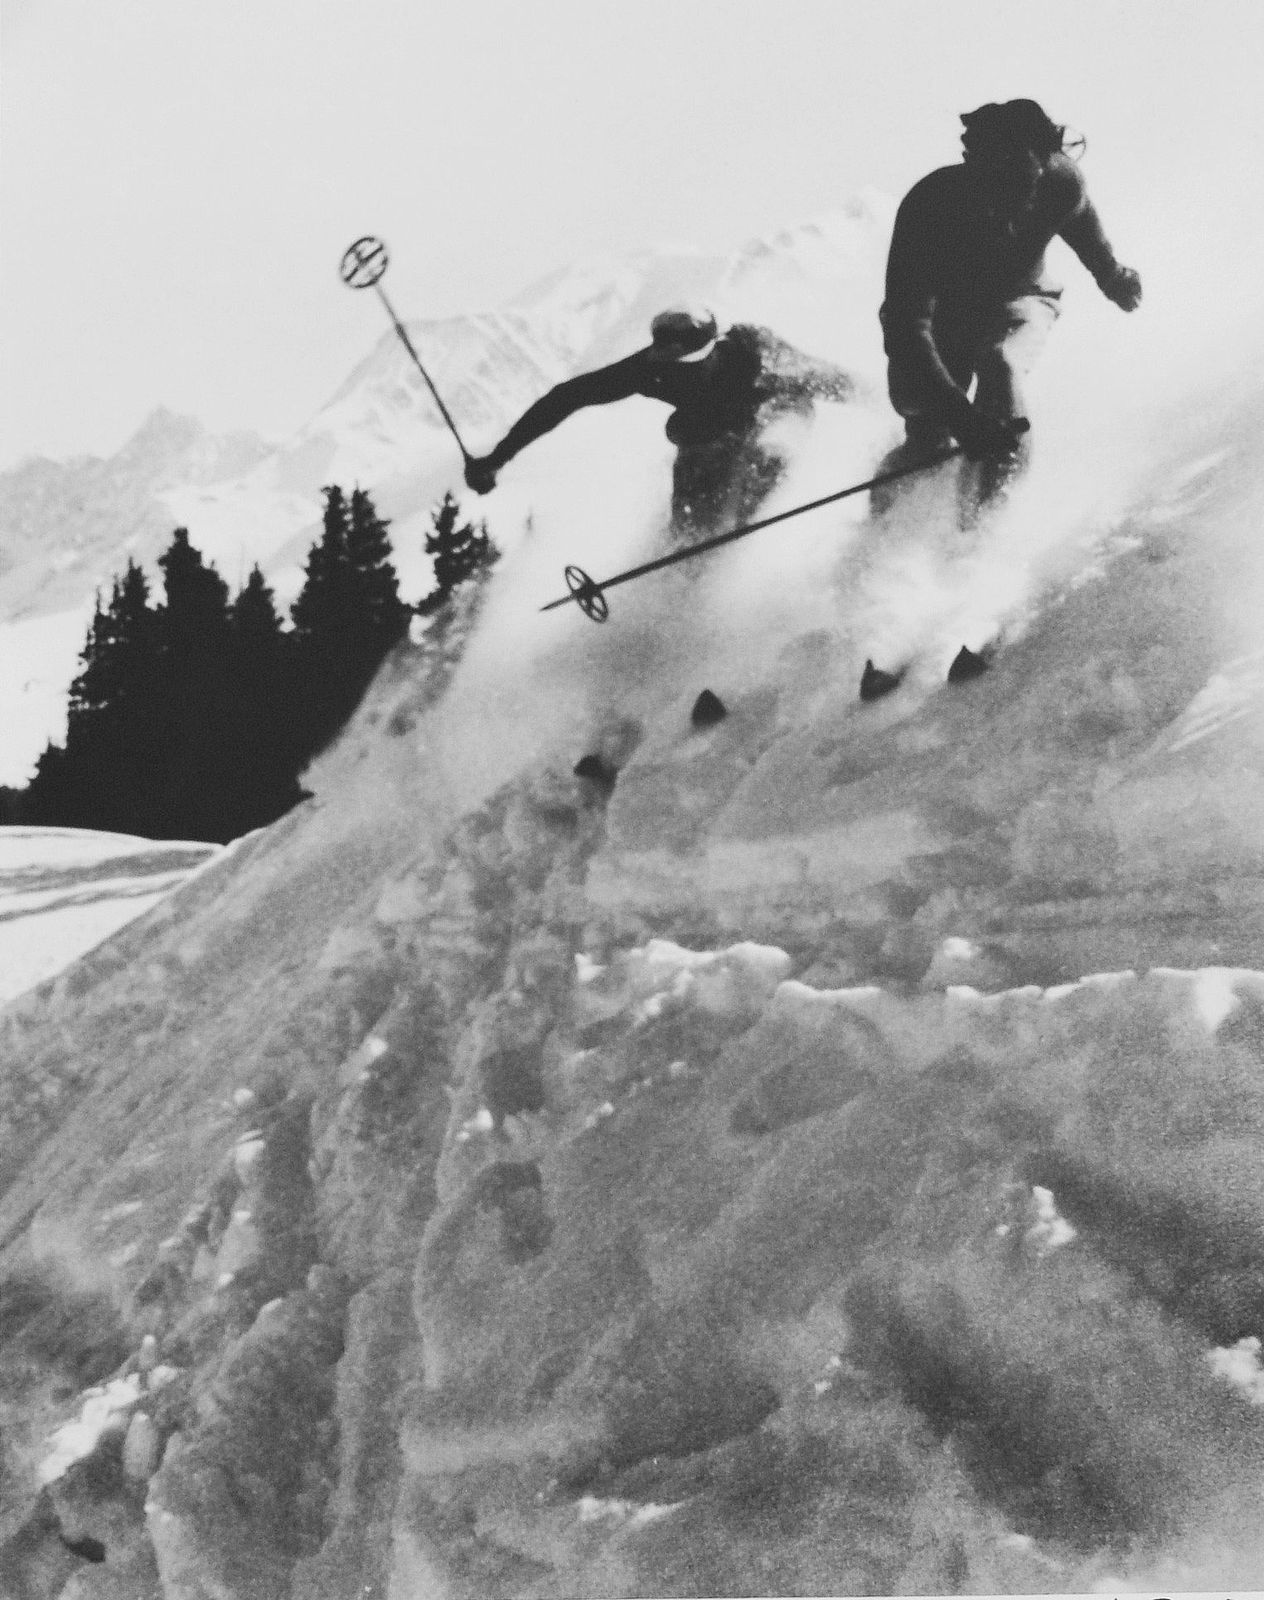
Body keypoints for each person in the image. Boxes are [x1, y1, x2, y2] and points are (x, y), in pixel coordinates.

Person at [877, 98, 1142, 516]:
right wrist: (958, 414)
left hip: (1022, 300)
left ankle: (987, 529)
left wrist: (1111, 274)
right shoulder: (930, 206)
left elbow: (1081, 222)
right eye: (996, 183)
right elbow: (907, 324)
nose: (1011, 202)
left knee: (1000, 363)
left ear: (1044, 161)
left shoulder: (1061, 181)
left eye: (1024, 183)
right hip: (941, 322)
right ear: (973, 166)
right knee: (928, 434)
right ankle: (877, 537)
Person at [463, 307, 855, 537]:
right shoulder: (650, 369)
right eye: (674, 365)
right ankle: (687, 557)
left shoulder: (755, 351)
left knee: (769, 452)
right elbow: (566, 398)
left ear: (715, 348)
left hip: (778, 414)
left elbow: (830, 379)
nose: (685, 372)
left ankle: (751, 519)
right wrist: (499, 457)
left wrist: (904, 408)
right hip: (714, 431)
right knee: (692, 506)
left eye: (693, 363)